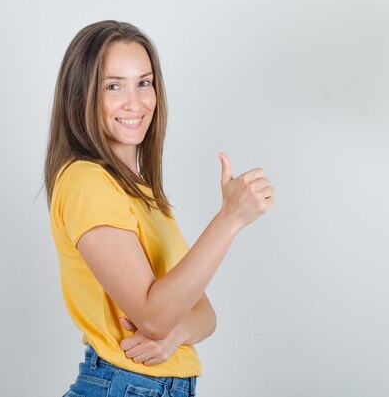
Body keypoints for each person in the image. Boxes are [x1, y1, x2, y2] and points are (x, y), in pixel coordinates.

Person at [43, 20, 275, 397]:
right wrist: (229, 219)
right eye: (113, 86)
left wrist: (176, 334)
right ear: (80, 95)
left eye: (144, 82)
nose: (134, 102)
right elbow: (152, 316)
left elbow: (204, 314)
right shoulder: (86, 182)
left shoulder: (141, 194)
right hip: (123, 385)